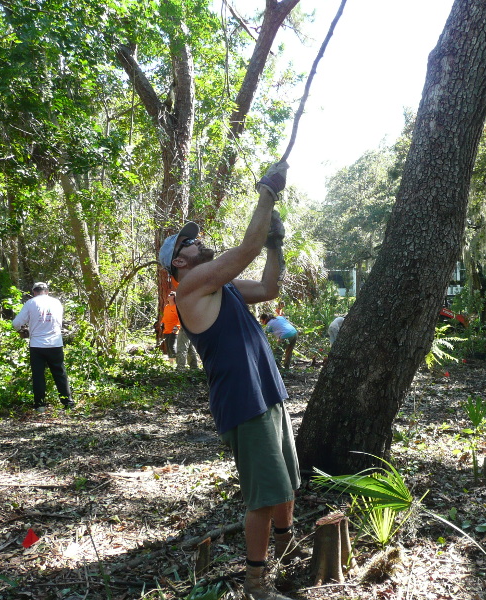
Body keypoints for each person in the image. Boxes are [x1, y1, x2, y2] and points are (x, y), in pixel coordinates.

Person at [158, 162, 300, 600]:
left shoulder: (226, 288)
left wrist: (276, 243)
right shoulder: (191, 288)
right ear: (180, 261)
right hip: (243, 403)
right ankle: (256, 583)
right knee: (262, 496)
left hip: (269, 393)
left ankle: (286, 551)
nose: (200, 242)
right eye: (191, 242)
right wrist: (266, 193)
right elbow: (244, 250)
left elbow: (270, 287)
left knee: (288, 485)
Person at [12, 282, 74, 413]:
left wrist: (21, 330)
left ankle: (40, 405)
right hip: (55, 343)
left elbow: (16, 323)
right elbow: (59, 322)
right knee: (60, 373)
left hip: (37, 345)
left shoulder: (31, 303)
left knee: (38, 375)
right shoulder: (56, 302)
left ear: (34, 291)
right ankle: (68, 403)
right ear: (47, 291)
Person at [160, 291, 180, 363]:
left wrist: (177, 327)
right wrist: (162, 323)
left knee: (172, 346)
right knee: (168, 347)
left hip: (174, 330)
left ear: (174, 297)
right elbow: (165, 317)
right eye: (169, 294)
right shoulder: (167, 307)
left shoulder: (177, 307)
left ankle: (178, 362)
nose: (168, 295)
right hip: (166, 330)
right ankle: (171, 363)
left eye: (171, 295)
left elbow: (179, 318)